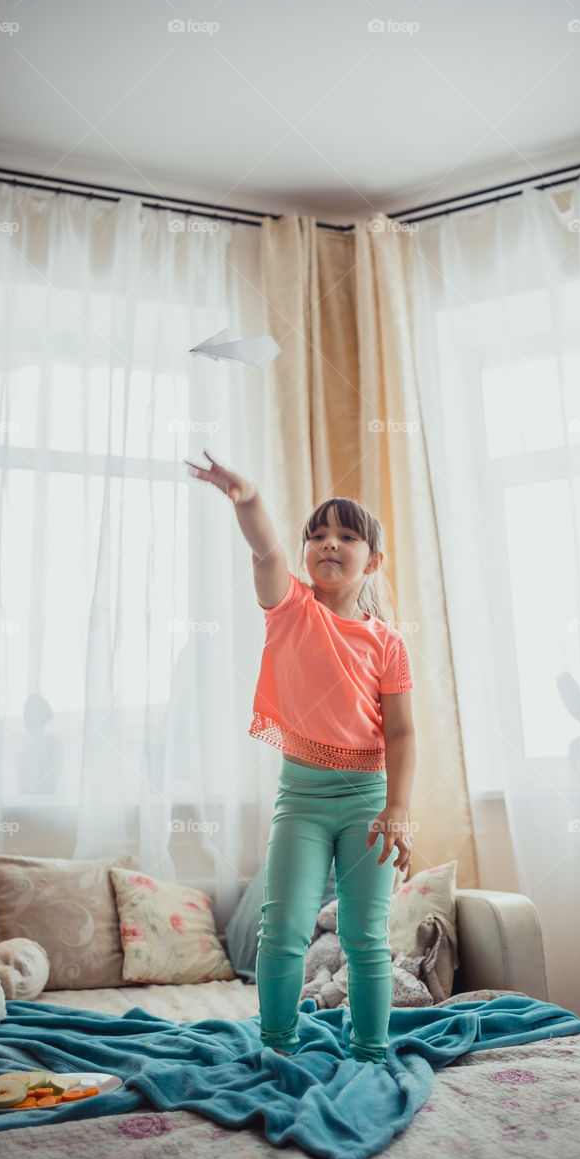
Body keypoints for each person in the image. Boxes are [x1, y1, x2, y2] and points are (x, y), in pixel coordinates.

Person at [184, 447, 416, 1064]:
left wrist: (398, 809)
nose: (328, 544)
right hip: (303, 800)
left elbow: (402, 735)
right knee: (281, 932)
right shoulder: (291, 610)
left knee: (366, 939)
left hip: (368, 801)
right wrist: (248, 498)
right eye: (317, 536)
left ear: (375, 561)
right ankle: (277, 1048)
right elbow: (265, 552)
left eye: (345, 536)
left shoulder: (388, 643)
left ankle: (370, 1051)